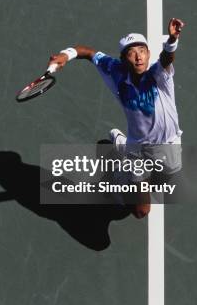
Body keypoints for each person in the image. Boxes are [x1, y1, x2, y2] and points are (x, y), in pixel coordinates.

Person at [48, 18, 185, 218]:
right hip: (138, 150)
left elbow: (166, 58)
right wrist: (65, 55)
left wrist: (172, 39)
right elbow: (88, 53)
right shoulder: (115, 71)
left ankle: (120, 144)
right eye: (131, 52)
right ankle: (120, 178)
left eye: (142, 50)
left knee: (166, 177)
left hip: (169, 144)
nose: (138, 57)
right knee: (140, 211)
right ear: (123, 59)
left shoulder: (158, 75)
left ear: (148, 54)